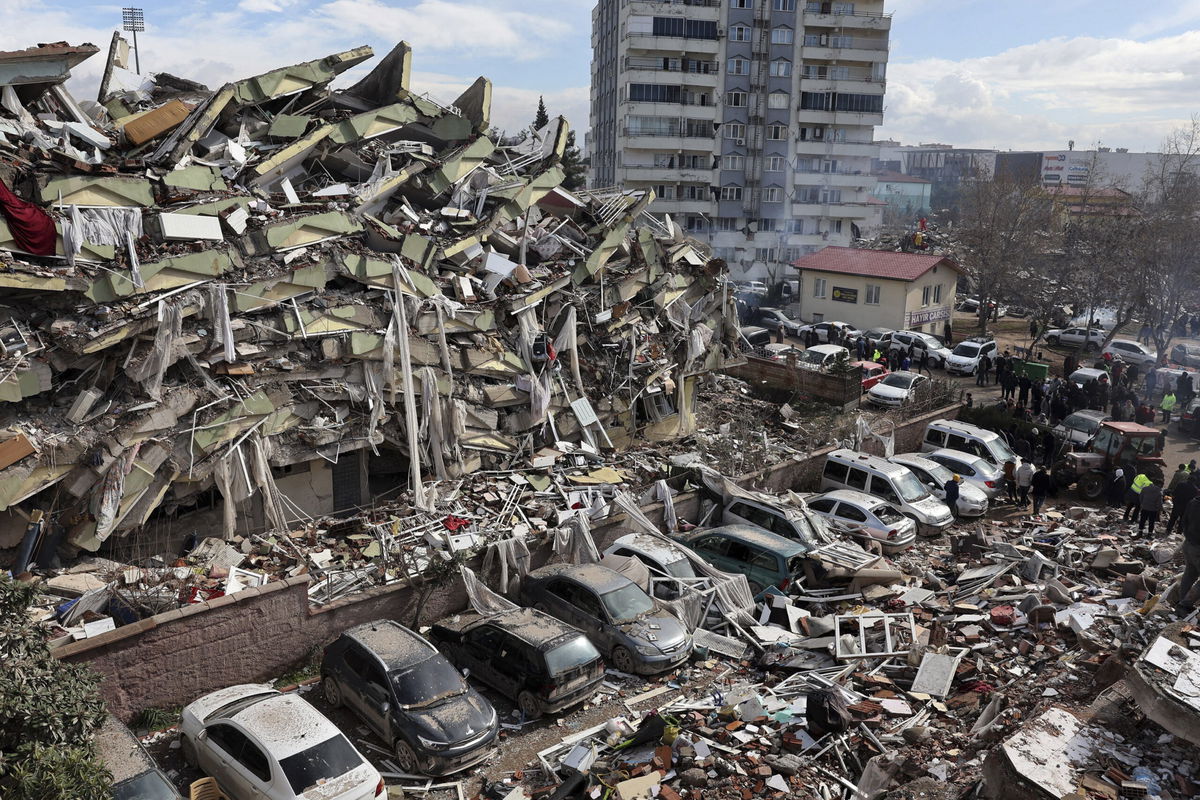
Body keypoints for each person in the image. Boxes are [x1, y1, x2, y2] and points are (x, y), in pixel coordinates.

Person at [1176, 494, 1200, 616]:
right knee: (1190, 574)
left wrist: (1187, 536)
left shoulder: (1193, 502)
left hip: (1188, 543)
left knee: (1190, 574)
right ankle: (1185, 604)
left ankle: (1182, 602)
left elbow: (1183, 521)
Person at [1167, 471, 1198, 536]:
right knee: (1182, 521)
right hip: (1186, 507)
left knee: (1173, 518)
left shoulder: (1180, 484)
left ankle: (1168, 530)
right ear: (1194, 481)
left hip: (1177, 504)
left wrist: (1174, 501)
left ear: (1188, 479)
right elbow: (1193, 500)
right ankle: (1178, 533)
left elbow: (1174, 493)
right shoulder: (1195, 489)